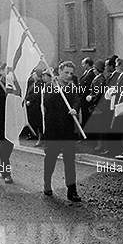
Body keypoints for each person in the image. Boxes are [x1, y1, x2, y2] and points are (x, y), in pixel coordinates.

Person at [42, 61, 82, 202]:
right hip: (53, 129)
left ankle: (72, 191)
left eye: (71, 73)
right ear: (59, 71)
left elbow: (77, 100)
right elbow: (47, 102)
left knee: (70, 162)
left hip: (67, 130)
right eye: (66, 72)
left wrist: (75, 109)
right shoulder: (49, 86)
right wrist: (56, 89)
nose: (69, 76)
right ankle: (47, 184)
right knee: (50, 160)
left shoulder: (72, 87)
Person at [78, 57, 95, 127]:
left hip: (85, 100)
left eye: (83, 64)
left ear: (87, 64)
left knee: (86, 117)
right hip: (82, 99)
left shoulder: (91, 74)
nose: (82, 66)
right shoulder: (86, 73)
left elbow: (87, 88)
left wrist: (81, 98)